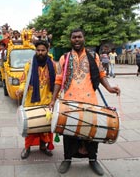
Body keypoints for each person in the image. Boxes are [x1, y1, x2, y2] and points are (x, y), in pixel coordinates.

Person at [49, 29, 120, 176]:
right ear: (70, 40)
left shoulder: (94, 56)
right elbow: (58, 80)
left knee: (93, 131)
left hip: (90, 101)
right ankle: (67, 159)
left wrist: (109, 88)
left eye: (79, 37)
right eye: (74, 37)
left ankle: (93, 159)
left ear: (83, 39)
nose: (76, 39)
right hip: (69, 101)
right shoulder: (64, 58)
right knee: (68, 133)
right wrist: (53, 99)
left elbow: (101, 74)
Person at [15, 40, 56, 159]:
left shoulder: (53, 65)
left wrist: (57, 97)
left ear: (47, 51)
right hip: (32, 101)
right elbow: (23, 81)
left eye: (43, 50)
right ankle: (27, 148)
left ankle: (43, 147)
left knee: (46, 128)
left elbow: (57, 82)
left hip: (47, 101)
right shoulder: (29, 64)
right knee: (30, 127)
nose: (40, 52)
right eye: (38, 50)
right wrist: (21, 89)